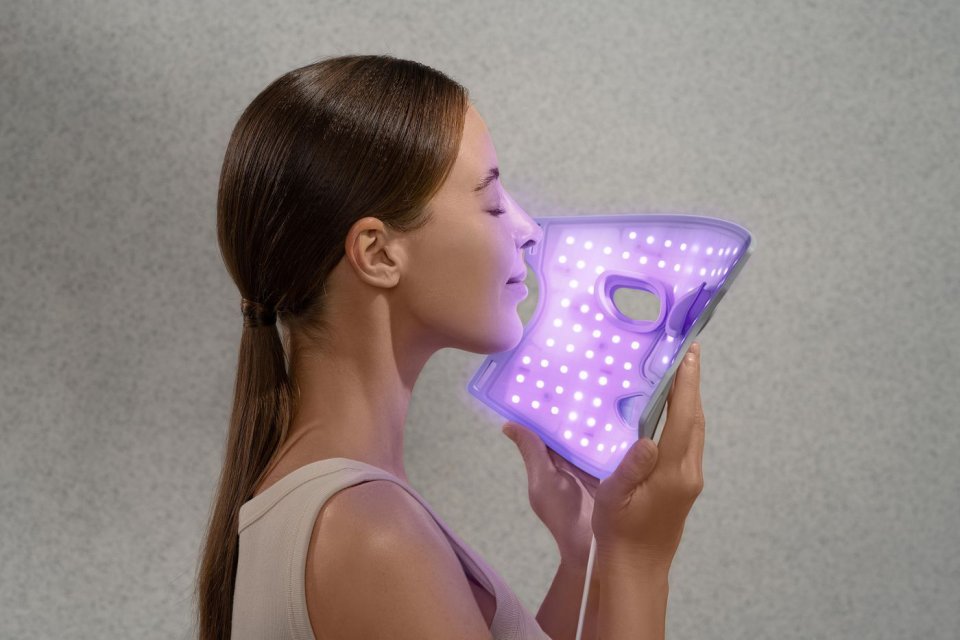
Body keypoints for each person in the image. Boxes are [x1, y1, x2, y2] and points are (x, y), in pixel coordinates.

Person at [194, 54, 706, 640]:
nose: (528, 230)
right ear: (378, 253)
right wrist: (640, 559)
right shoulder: (371, 535)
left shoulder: (339, 509)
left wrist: (585, 554)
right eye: (491, 202)